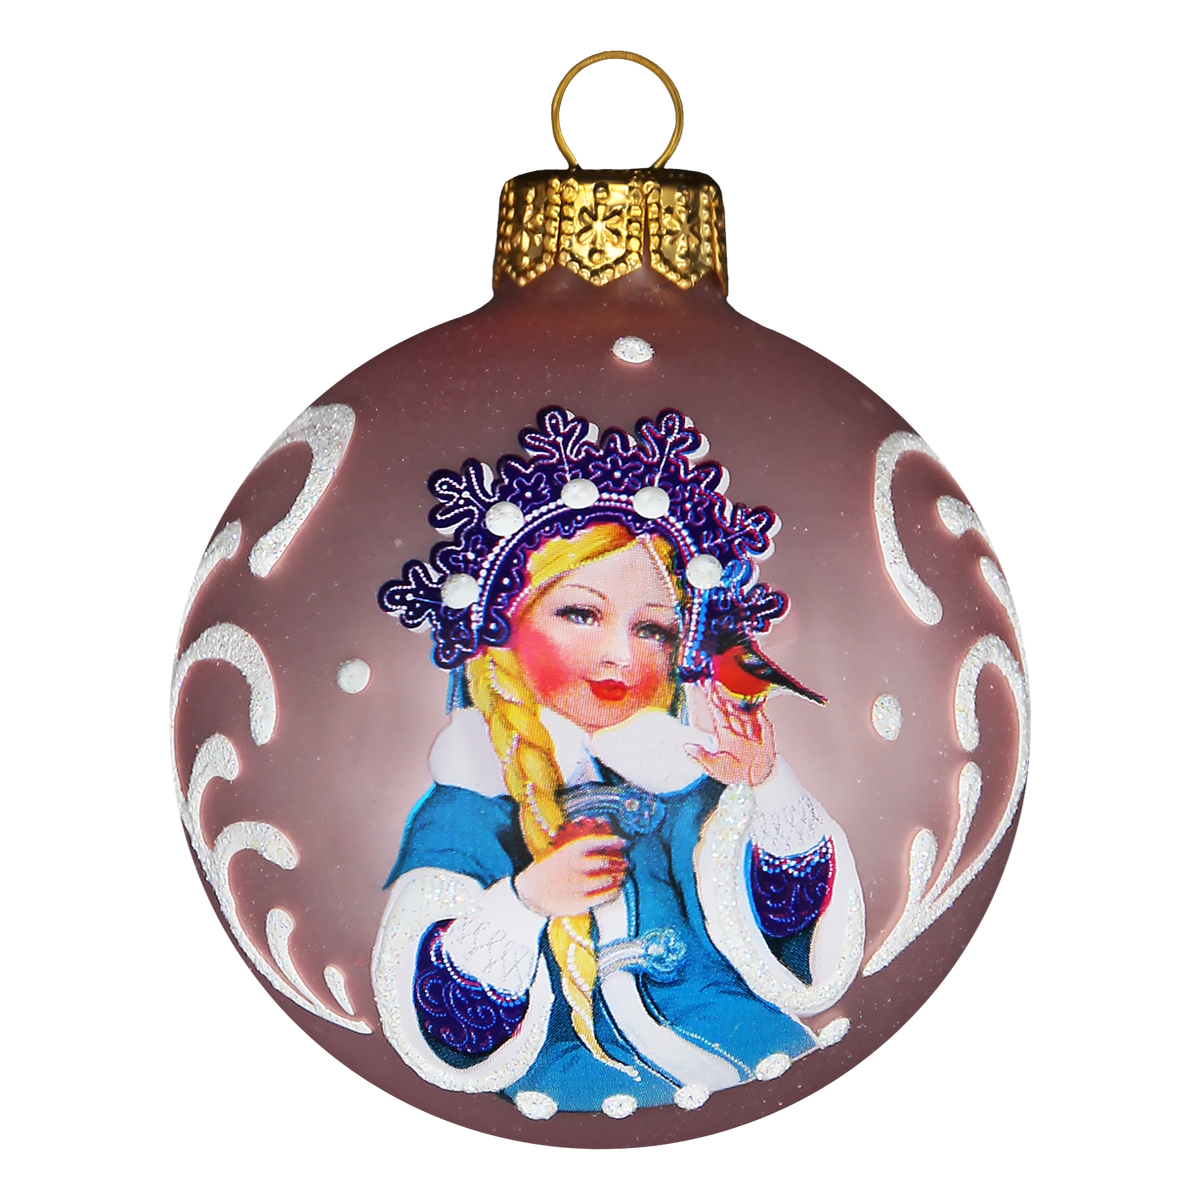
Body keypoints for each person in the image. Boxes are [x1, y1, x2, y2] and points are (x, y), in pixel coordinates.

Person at [373, 409, 863, 1117]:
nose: (619, 656)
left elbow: (789, 925)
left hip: (738, 1049)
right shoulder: (470, 802)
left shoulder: (687, 782)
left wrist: (767, 789)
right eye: (580, 614)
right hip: (570, 1079)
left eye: (652, 629)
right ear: (502, 632)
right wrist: (526, 903)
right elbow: (446, 1016)